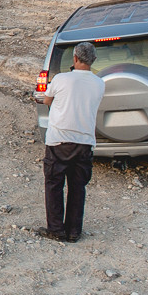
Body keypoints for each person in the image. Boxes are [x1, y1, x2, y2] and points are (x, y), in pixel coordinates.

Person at [39, 42, 106, 242]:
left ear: (75, 58)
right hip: (85, 140)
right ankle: (74, 231)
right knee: (78, 187)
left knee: (54, 184)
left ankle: (56, 229)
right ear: (93, 60)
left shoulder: (61, 79)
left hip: (59, 139)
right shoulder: (99, 83)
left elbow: (46, 100)